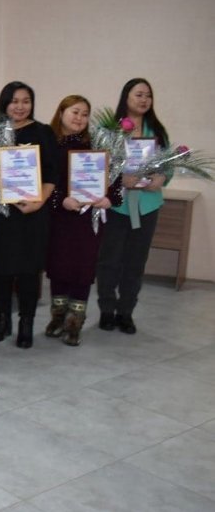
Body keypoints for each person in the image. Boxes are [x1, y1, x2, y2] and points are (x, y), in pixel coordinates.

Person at [0, 81, 57, 348]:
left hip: (32, 213)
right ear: (5, 103)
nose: (20, 106)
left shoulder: (43, 132)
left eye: (26, 101)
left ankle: (26, 324)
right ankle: (2, 321)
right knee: (1, 269)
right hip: (1, 213)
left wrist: (39, 202)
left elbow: (52, 173)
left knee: (28, 271)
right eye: (14, 101)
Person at [46, 95, 122, 345]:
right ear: (61, 113)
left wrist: (109, 199)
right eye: (75, 112)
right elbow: (43, 181)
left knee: (83, 269)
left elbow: (115, 181)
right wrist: (61, 200)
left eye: (85, 114)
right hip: (59, 219)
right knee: (58, 268)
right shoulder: (49, 143)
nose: (79, 118)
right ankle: (57, 318)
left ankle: (74, 324)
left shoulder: (96, 146)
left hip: (89, 220)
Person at [96, 78, 169, 334]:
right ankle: (107, 310)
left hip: (147, 205)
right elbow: (96, 165)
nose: (144, 99)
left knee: (136, 262)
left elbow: (168, 165)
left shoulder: (157, 130)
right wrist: (118, 180)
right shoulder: (110, 129)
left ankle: (126, 312)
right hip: (115, 205)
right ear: (126, 97)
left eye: (148, 95)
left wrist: (162, 178)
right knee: (109, 260)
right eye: (139, 94)